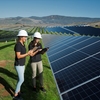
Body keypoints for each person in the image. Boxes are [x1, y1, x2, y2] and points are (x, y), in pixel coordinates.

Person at [13, 30, 39, 100]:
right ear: (21, 37)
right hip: (19, 65)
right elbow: (18, 56)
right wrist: (27, 53)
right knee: (21, 80)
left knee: (19, 79)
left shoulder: (22, 44)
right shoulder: (18, 45)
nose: (26, 38)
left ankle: (19, 92)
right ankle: (15, 95)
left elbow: (24, 54)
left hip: (22, 64)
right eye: (25, 37)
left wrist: (32, 52)